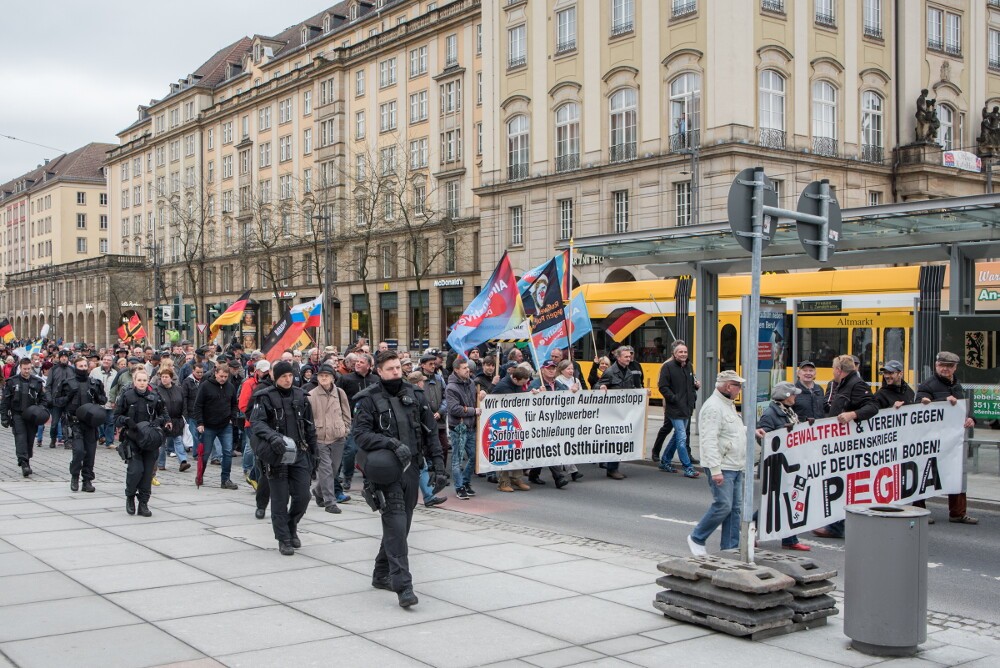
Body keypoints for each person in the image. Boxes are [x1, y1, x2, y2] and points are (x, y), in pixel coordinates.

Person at [353, 350, 445, 608]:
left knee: (401, 528)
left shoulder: (415, 395)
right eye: (390, 368)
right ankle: (403, 586)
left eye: (397, 367)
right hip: (386, 472)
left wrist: (438, 467)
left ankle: (380, 573)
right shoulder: (368, 399)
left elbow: (430, 434)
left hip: (412, 469)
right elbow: (360, 435)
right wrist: (391, 443)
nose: (395, 372)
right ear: (379, 371)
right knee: (395, 526)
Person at [249, 361, 318, 555]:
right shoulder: (264, 397)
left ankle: (291, 524)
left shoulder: (301, 396)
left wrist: (315, 453)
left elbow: (309, 426)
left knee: (303, 496)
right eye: (283, 377)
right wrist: (273, 437)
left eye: (290, 376)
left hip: (300, 452)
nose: (287, 380)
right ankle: (283, 538)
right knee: (279, 500)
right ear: (275, 378)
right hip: (277, 454)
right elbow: (257, 423)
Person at [812, 355, 879, 539]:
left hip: (848, 446)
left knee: (840, 485)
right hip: (838, 444)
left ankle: (836, 526)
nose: (832, 372)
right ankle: (833, 523)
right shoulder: (842, 384)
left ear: (839, 370)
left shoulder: (856, 384)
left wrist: (853, 415)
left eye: (834, 368)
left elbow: (873, 406)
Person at [688, 371, 749, 555]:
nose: (740, 390)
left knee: (734, 508)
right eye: (738, 386)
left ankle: (730, 546)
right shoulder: (714, 407)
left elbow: (731, 431)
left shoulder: (727, 405)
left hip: (735, 464)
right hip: (723, 465)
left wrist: (751, 431)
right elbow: (708, 440)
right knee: (723, 505)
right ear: (729, 386)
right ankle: (697, 537)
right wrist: (715, 470)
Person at [915, 351, 978, 525]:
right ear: (936, 365)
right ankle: (919, 511)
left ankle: (957, 513)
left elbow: (964, 407)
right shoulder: (927, 385)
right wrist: (943, 400)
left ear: (955, 367)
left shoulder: (957, 385)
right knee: (926, 474)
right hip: (932, 439)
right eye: (942, 365)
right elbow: (919, 403)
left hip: (953, 440)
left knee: (957, 473)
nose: (945, 369)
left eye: (949, 366)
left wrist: (971, 418)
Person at [756, 381, 810, 551]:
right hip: (777, 466)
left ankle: (789, 539)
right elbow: (763, 438)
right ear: (785, 397)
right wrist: (781, 436)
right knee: (774, 503)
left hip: (790, 464)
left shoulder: (788, 411)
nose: (795, 396)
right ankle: (748, 531)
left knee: (788, 501)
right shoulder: (770, 414)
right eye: (793, 394)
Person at [115, 369, 166, 516]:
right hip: (132, 439)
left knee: (147, 473)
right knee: (135, 471)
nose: (142, 383)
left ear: (148, 380)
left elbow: (163, 413)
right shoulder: (127, 396)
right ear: (134, 381)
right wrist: (126, 420)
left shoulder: (155, 396)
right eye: (139, 380)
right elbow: (116, 416)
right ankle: (130, 497)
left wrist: (159, 421)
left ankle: (143, 503)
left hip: (150, 440)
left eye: (144, 380)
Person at [55, 356, 108, 493]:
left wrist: (97, 395)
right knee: (78, 452)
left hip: (91, 423)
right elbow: (58, 402)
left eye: (85, 366)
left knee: (90, 453)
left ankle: (87, 480)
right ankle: (74, 476)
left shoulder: (94, 383)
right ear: (75, 367)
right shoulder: (67, 383)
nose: (84, 369)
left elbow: (103, 400)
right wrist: (68, 397)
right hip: (74, 423)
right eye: (81, 366)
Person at [307, 363, 352, 515]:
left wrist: (345, 429)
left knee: (332, 470)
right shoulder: (312, 395)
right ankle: (330, 502)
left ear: (333, 377)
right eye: (321, 375)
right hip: (320, 438)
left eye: (327, 375)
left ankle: (318, 492)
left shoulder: (340, 393)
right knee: (325, 470)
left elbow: (346, 413)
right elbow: (308, 418)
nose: (324, 378)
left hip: (338, 436)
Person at [654, 340, 700, 478]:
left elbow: (689, 385)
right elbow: (663, 387)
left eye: (685, 352)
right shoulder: (667, 367)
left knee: (677, 436)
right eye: (680, 352)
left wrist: (695, 387)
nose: (683, 354)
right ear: (674, 354)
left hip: (687, 408)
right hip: (674, 409)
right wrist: (674, 399)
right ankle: (688, 467)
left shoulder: (689, 366)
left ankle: (665, 461)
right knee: (681, 438)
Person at [596, 345, 644, 480]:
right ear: (618, 357)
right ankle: (612, 468)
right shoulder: (610, 372)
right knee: (615, 440)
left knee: (620, 439)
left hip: (624, 412)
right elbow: (597, 386)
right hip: (612, 412)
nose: (629, 359)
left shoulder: (628, 372)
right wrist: (602, 386)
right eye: (626, 356)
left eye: (630, 356)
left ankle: (611, 465)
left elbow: (632, 389)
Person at [193, 364, 240, 490]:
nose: (223, 379)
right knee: (205, 453)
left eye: (225, 376)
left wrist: (232, 417)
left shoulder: (230, 387)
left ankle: (225, 479)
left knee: (227, 452)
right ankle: (200, 475)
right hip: (208, 425)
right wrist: (200, 423)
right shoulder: (205, 386)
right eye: (221, 376)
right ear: (215, 373)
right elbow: (198, 406)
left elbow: (234, 404)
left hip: (225, 425)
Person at [447, 358, 484, 500]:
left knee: (474, 456)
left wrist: (481, 395)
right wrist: (472, 411)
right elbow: (454, 409)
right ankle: (459, 487)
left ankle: (466, 482)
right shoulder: (451, 387)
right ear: (456, 370)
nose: (467, 370)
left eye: (467, 368)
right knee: (457, 459)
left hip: (470, 426)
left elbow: (475, 398)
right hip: (458, 427)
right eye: (464, 368)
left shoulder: (471, 383)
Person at [1, 357, 46, 476]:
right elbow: (5, 401)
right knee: (20, 437)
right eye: (24, 369)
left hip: (32, 415)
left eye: (28, 369)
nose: (27, 371)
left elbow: (43, 399)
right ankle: (23, 462)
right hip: (17, 414)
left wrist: (41, 410)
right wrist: (4, 417)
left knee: (30, 438)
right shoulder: (12, 382)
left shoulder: (37, 382)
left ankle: (27, 459)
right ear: (20, 368)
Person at [491, 366, 534, 493]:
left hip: (514, 423)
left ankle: (516, 478)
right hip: (502, 424)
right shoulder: (503, 387)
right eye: (522, 383)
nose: (523, 385)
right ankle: (503, 482)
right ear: (515, 379)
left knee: (517, 451)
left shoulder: (517, 383)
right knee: (503, 452)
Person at [154, 369, 190, 472]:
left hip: (176, 419)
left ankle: (183, 461)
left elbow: (184, 403)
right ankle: (161, 464)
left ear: (171, 378)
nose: (164, 379)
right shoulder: (157, 390)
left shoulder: (178, 389)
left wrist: (184, 416)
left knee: (178, 440)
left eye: (166, 377)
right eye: (163, 377)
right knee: (161, 443)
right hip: (162, 420)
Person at [90, 354, 118, 447]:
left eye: (109, 360)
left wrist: (115, 400)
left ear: (112, 362)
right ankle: (102, 436)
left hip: (110, 400)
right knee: (99, 421)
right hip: (98, 400)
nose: (106, 361)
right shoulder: (95, 371)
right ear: (101, 360)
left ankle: (109, 442)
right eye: (104, 359)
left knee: (110, 421)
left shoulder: (115, 373)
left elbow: (116, 388)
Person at [46, 349, 73, 448]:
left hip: (68, 400)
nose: (64, 358)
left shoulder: (71, 370)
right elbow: (48, 385)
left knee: (67, 421)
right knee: (54, 423)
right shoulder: (53, 370)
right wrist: (49, 398)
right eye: (62, 357)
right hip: (56, 400)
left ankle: (67, 441)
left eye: (65, 357)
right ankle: (53, 439)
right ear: (59, 358)